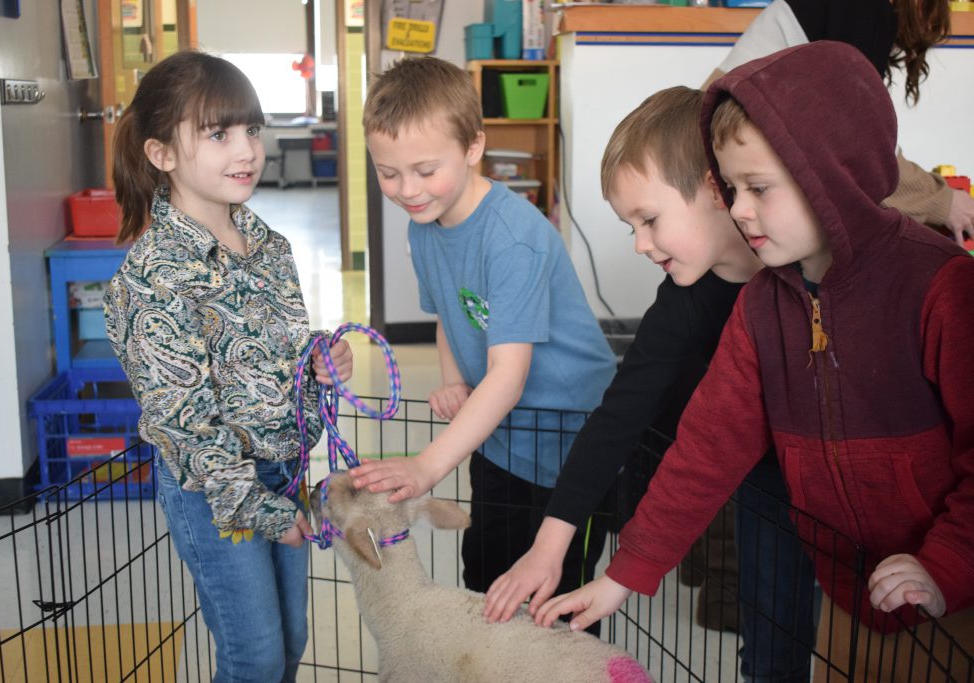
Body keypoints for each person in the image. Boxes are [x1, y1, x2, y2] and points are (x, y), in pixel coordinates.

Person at [537, 41, 974, 682]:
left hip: (947, 586)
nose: (740, 209)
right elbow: (703, 452)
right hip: (841, 579)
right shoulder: (759, 306)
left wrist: (947, 562)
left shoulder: (938, 286)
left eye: (757, 188)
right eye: (733, 188)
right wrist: (620, 576)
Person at [482, 86, 817, 682]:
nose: (639, 243)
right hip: (762, 486)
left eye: (649, 219)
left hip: (833, 478)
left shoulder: (803, 269)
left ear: (716, 191)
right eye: (630, 224)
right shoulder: (686, 300)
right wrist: (550, 544)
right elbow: (618, 417)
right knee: (771, 641)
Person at [103, 51, 353, 683]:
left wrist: (319, 357)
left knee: (292, 639)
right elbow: (182, 420)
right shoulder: (152, 278)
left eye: (251, 130)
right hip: (216, 490)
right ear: (162, 154)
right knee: (254, 655)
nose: (246, 150)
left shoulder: (268, 243)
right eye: (218, 135)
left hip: (286, 469)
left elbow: (279, 345)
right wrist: (267, 511)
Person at [348, 56, 617, 616]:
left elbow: (509, 377)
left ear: (473, 147)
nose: (407, 190)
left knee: (554, 605)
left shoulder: (512, 238)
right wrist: (451, 379)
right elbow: (452, 310)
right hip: (497, 434)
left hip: (571, 441)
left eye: (425, 170)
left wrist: (425, 466)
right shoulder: (426, 224)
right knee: (486, 579)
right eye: (388, 172)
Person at [706, 0, 974, 245]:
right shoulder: (864, 9)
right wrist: (945, 201)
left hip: (714, 168)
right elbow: (862, 156)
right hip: (721, 177)